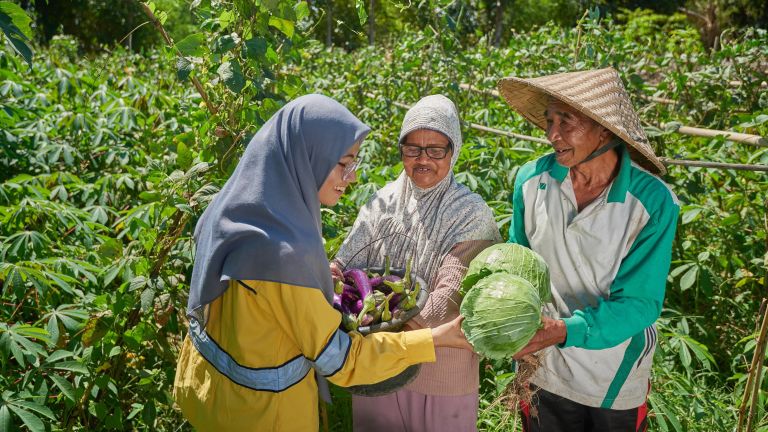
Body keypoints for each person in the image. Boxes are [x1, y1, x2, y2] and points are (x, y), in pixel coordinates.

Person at [173, 94, 472, 432]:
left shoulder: (235, 209)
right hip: (261, 414)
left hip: (210, 393)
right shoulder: (285, 253)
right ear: (307, 157)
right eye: (344, 162)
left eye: (355, 163)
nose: (353, 176)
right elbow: (341, 360)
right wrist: (435, 338)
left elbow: (264, 304)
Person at [497, 68, 680, 432]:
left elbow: (639, 304)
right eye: (549, 121)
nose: (552, 134)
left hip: (612, 372)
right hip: (541, 363)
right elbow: (518, 263)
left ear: (604, 129)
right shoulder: (531, 181)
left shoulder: (653, 203)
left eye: (567, 121)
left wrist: (562, 329)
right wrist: (506, 322)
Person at [331, 94, 502, 432]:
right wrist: (333, 272)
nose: (424, 159)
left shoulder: (471, 213)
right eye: (413, 148)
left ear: (453, 152)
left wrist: (376, 326)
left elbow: (447, 299)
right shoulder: (382, 203)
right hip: (378, 370)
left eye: (436, 149)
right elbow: (346, 262)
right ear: (401, 151)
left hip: (439, 374)